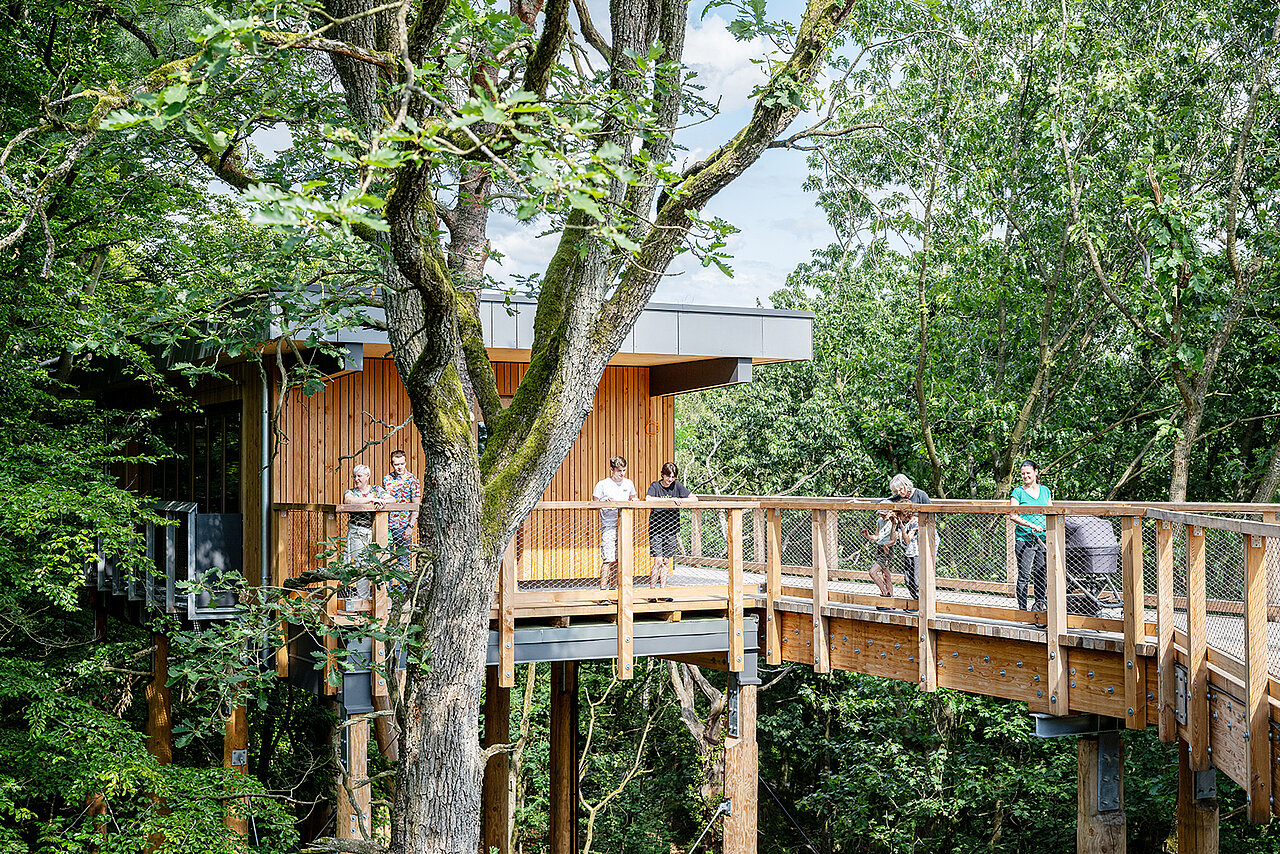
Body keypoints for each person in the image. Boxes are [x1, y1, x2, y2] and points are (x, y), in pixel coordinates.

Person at [645, 462, 698, 590]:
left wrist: (679, 500)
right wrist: (668, 501)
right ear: (662, 475)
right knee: (657, 560)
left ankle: (663, 589)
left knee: (666, 561)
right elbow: (648, 499)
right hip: (656, 529)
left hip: (671, 529)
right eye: (668, 476)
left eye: (673, 477)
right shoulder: (655, 486)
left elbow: (694, 499)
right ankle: (652, 590)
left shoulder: (677, 486)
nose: (670, 480)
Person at [1010, 459, 1052, 612]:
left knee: (1041, 573)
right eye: (1022, 474)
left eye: (1028, 473)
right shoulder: (1018, 492)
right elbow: (1013, 515)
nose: (1025, 476)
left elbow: (1050, 511)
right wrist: (1032, 525)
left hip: (1043, 540)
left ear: (1036, 472)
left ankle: (1040, 606)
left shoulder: (1045, 491)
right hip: (1025, 539)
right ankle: (1023, 610)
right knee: (1024, 575)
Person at [343, 464, 387, 600]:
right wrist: (371, 499)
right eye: (354, 476)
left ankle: (380, 599)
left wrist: (383, 501)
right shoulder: (351, 492)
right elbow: (349, 501)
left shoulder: (377, 489)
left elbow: (392, 499)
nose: (356, 479)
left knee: (380, 562)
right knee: (361, 564)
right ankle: (363, 598)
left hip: (376, 531)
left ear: (367, 476)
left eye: (359, 476)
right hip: (357, 531)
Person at [593, 456, 638, 589]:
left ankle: (614, 590)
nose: (622, 474)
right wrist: (605, 502)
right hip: (608, 525)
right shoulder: (602, 484)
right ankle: (603, 590)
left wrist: (634, 500)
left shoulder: (628, 483)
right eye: (619, 471)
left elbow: (634, 498)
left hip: (624, 525)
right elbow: (594, 503)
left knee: (620, 559)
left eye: (624, 470)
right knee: (608, 558)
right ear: (612, 469)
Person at [886, 473, 931, 602]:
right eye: (896, 491)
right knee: (908, 577)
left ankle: (923, 602)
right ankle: (916, 601)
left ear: (906, 486)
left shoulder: (921, 495)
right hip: (909, 547)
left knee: (921, 574)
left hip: (924, 537)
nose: (899, 493)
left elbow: (934, 514)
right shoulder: (898, 499)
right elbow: (883, 502)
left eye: (901, 489)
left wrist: (920, 519)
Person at [382, 449, 422, 573]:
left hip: (403, 526)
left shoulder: (412, 480)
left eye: (402, 464)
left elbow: (416, 506)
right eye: (396, 464)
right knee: (384, 560)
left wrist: (410, 527)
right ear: (392, 464)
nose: (399, 467)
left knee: (403, 561)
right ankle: (386, 591)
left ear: (405, 462)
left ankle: (404, 592)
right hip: (387, 526)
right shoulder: (387, 479)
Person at [864, 502, 898, 601]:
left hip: (887, 550)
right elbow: (877, 536)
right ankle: (890, 595)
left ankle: (884, 592)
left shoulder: (894, 522)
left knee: (872, 572)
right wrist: (868, 536)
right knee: (886, 575)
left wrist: (887, 545)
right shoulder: (880, 520)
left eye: (884, 514)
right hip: (879, 548)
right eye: (880, 514)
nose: (882, 516)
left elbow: (894, 539)